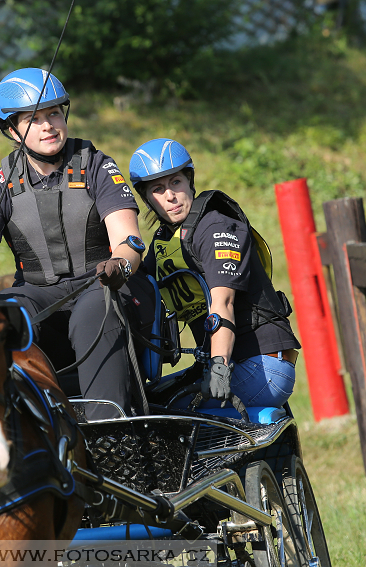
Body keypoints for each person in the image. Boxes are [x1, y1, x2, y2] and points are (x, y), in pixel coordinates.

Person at [0, 68, 153, 420]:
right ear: (11, 129)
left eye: (53, 113)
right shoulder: (2, 181)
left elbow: (129, 239)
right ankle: (23, 426)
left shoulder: (96, 164)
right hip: (37, 292)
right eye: (33, 119)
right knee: (5, 314)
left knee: (93, 309)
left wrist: (120, 264)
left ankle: (108, 430)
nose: (48, 125)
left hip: (105, 284)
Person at [129, 138, 301, 410]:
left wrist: (219, 367)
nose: (170, 196)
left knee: (159, 417)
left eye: (175, 183)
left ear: (189, 181)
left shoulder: (215, 226)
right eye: (158, 189)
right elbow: (135, 281)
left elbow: (224, 303)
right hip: (232, 363)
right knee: (144, 401)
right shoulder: (166, 238)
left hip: (262, 365)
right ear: (147, 198)